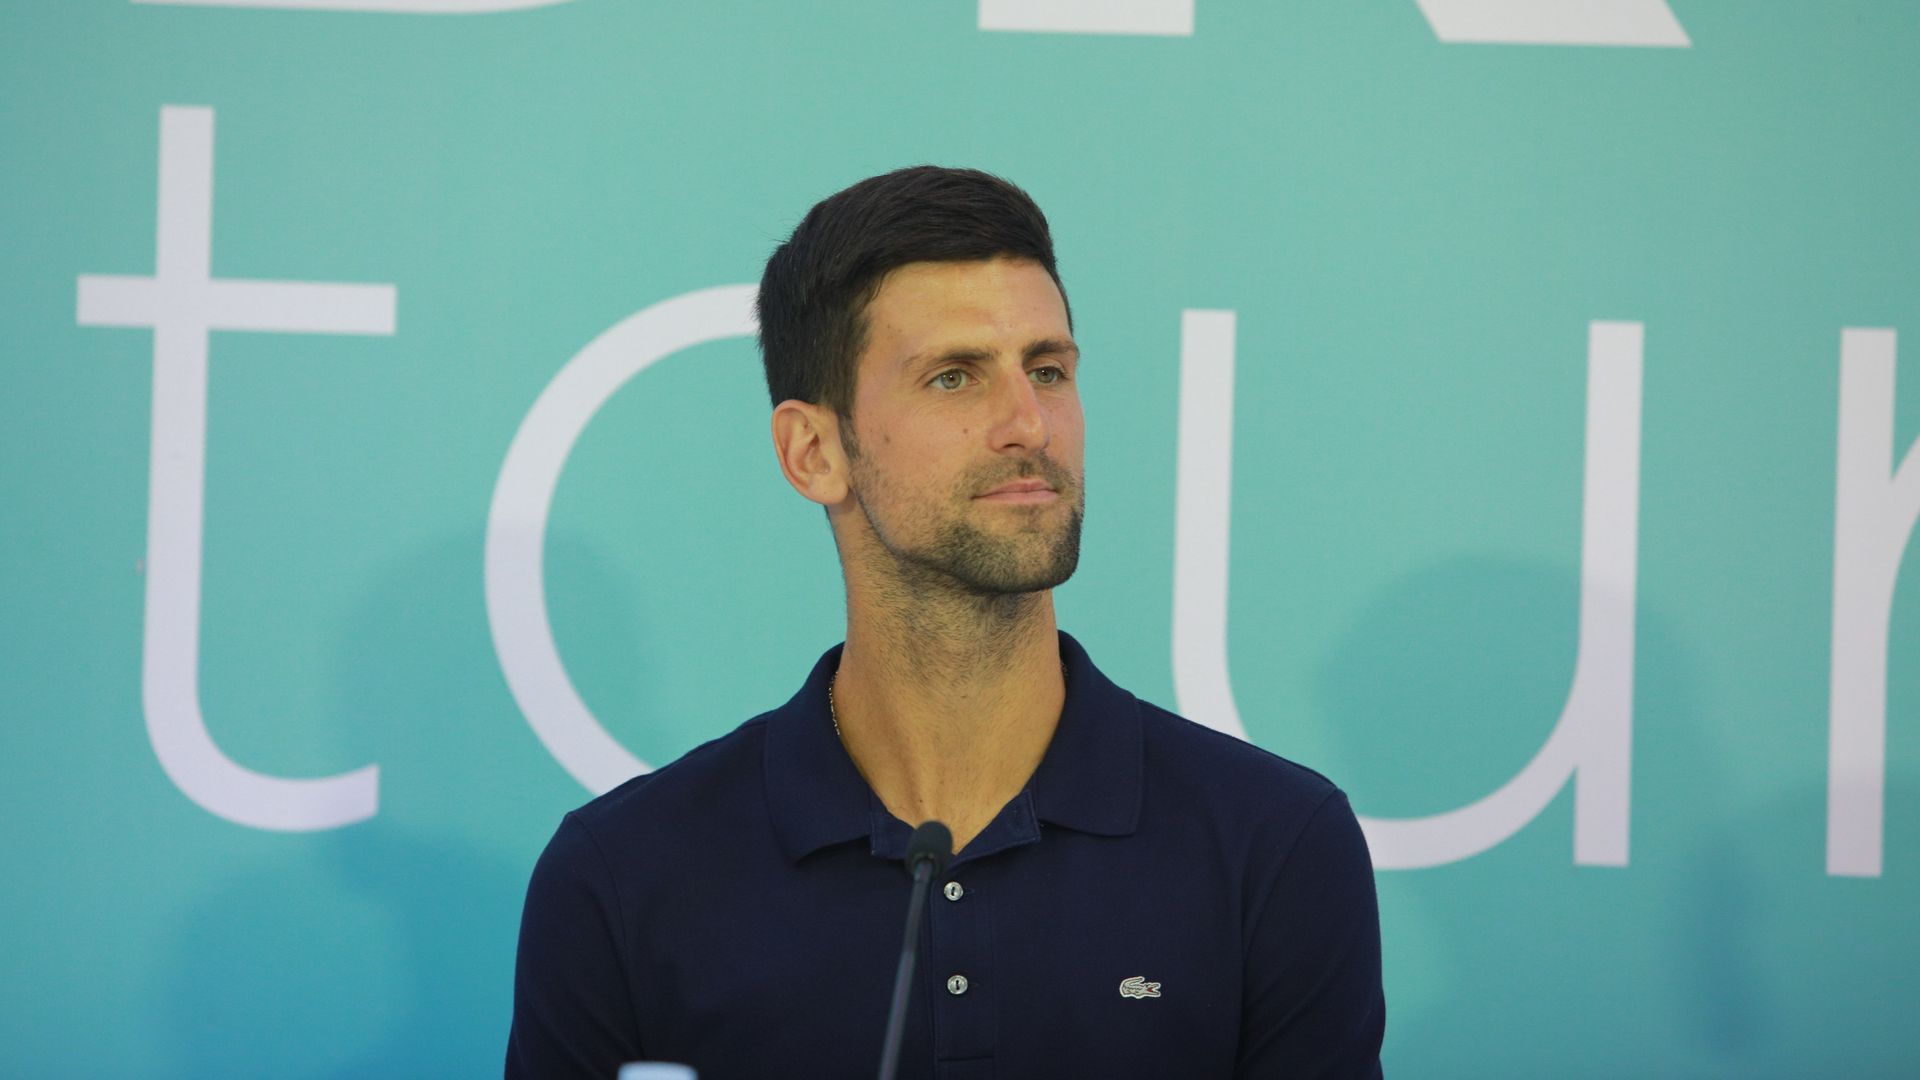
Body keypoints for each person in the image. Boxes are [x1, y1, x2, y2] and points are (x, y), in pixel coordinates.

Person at [506, 167, 1385, 1079]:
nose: (1029, 423)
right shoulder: (624, 875)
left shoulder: (1273, 844)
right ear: (814, 452)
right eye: (955, 377)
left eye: (1048, 369)